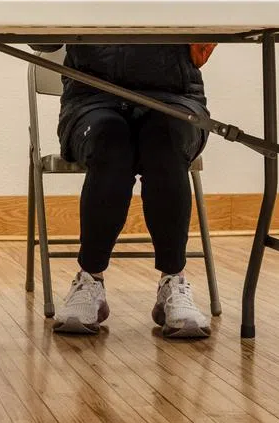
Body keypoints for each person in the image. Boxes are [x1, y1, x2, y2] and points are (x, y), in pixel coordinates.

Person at [34, 42, 216, 338]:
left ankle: (173, 280)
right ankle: (90, 280)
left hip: (175, 97)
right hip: (92, 100)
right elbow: (44, 42)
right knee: (111, 146)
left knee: (165, 145)